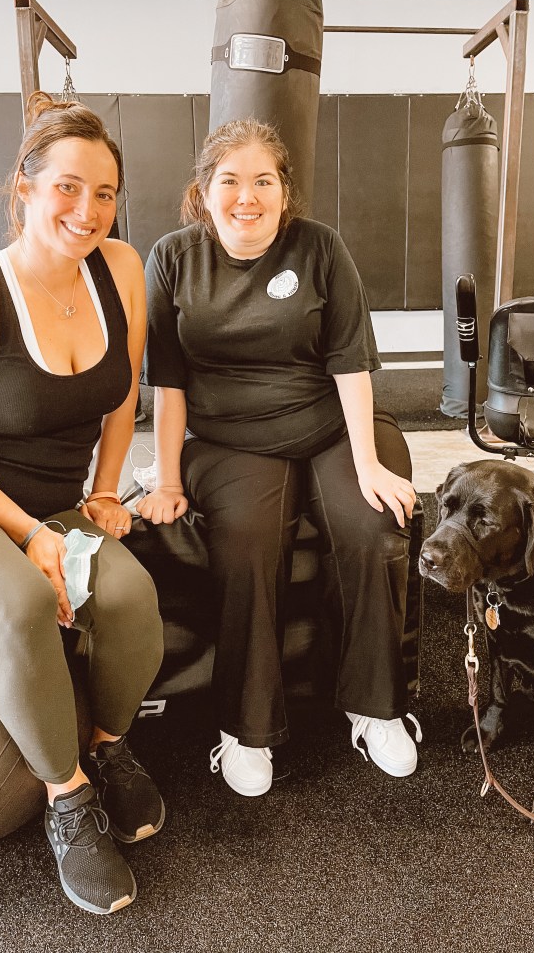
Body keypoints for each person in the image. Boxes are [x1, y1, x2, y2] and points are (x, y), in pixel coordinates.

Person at [0, 93, 164, 914]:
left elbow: (122, 393)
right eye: (67, 187)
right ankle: (68, 797)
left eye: (104, 194)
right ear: (23, 187)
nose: (87, 210)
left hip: (56, 505)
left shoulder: (120, 269)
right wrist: (30, 533)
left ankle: (107, 747)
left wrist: (104, 490)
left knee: (130, 599)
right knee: (20, 604)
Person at [138, 118, 420, 798]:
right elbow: (167, 385)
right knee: (247, 540)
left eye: (263, 181)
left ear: (284, 191)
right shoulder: (173, 257)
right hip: (229, 438)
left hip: (332, 423)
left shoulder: (319, 247)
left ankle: (375, 707)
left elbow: (350, 363)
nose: (247, 197)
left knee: (373, 524)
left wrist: (368, 464)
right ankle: (247, 727)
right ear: (204, 190)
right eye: (230, 181)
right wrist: (167, 478)